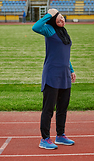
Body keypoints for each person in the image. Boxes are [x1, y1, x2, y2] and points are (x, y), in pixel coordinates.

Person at [32, 9, 76, 150]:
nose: (62, 21)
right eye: (58, 20)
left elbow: (64, 54)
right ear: (52, 21)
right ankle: (44, 139)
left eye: (62, 18)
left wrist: (71, 69)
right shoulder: (50, 30)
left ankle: (60, 135)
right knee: (49, 109)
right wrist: (49, 15)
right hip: (52, 74)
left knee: (62, 107)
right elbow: (35, 27)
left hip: (64, 75)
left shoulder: (63, 32)